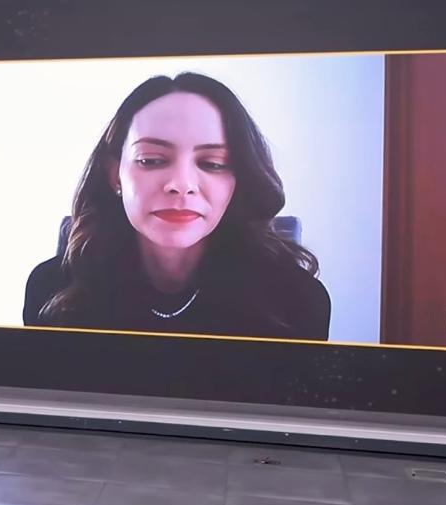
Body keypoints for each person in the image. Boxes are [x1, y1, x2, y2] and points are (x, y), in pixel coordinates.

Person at [24, 72, 330, 341]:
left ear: (239, 180)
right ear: (115, 174)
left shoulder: (296, 302)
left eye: (212, 163)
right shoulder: (52, 291)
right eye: (151, 160)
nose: (181, 184)